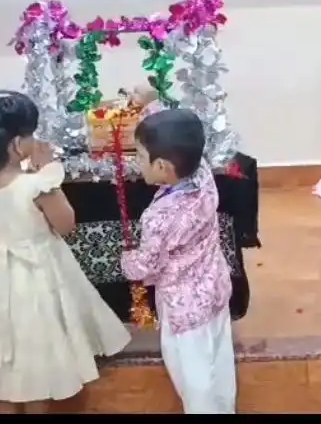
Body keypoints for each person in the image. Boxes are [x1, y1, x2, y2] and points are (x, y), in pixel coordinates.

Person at [0, 90, 130, 412]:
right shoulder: (37, 186)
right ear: (18, 145)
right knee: (37, 355)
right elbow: (66, 225)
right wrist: (47, 176)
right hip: (37, 276)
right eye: (31, 135)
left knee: (1, 353)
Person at [121, 109, 236, 414]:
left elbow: (148, 267)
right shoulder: (204, 175)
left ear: (161, 166)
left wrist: (127, 262)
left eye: (140, 155)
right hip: (214, 289)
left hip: (183, 308)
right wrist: (148, 106)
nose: (136, 162)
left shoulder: (159, 217)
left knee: (194, 377)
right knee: (219, 360)